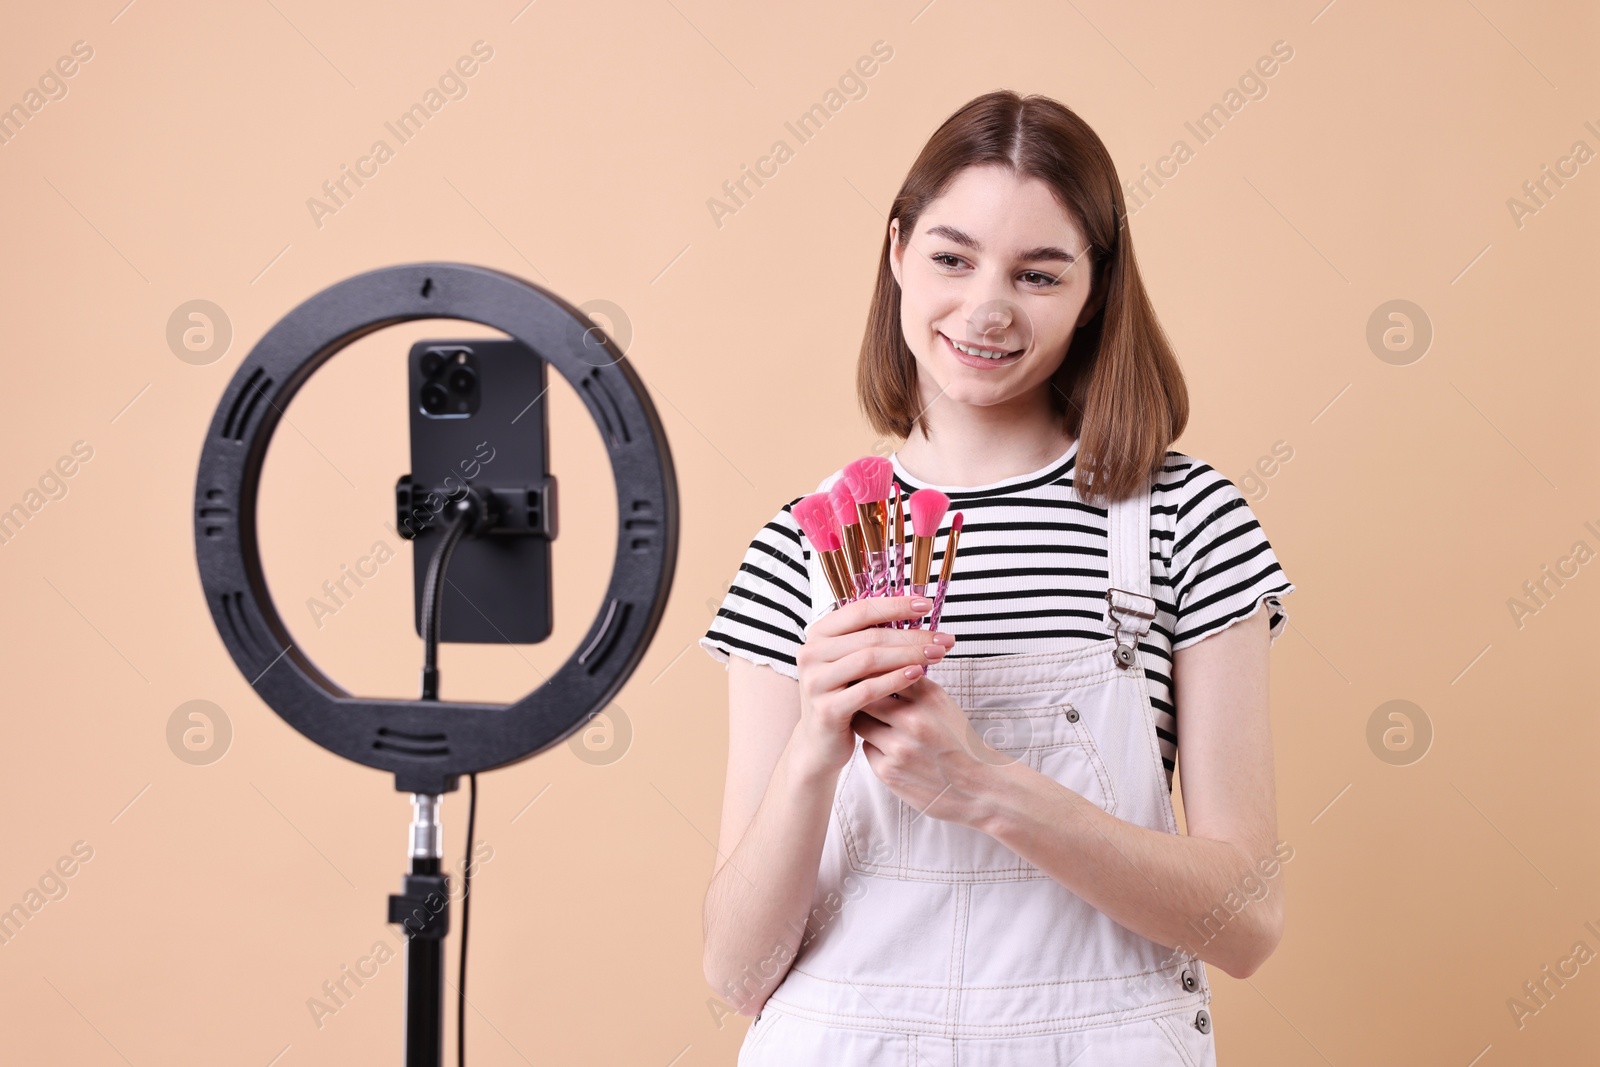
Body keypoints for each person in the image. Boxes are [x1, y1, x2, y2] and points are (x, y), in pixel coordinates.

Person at [698, 89, 1295, 1065]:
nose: (985, 307)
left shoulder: (1187, 522)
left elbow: (1247, 920)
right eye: (950, 257)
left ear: (1095, 289)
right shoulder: (797, 549)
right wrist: (814, 744)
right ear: (895, 253)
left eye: (1038, 273)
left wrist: (985, 788)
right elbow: (735, 971)